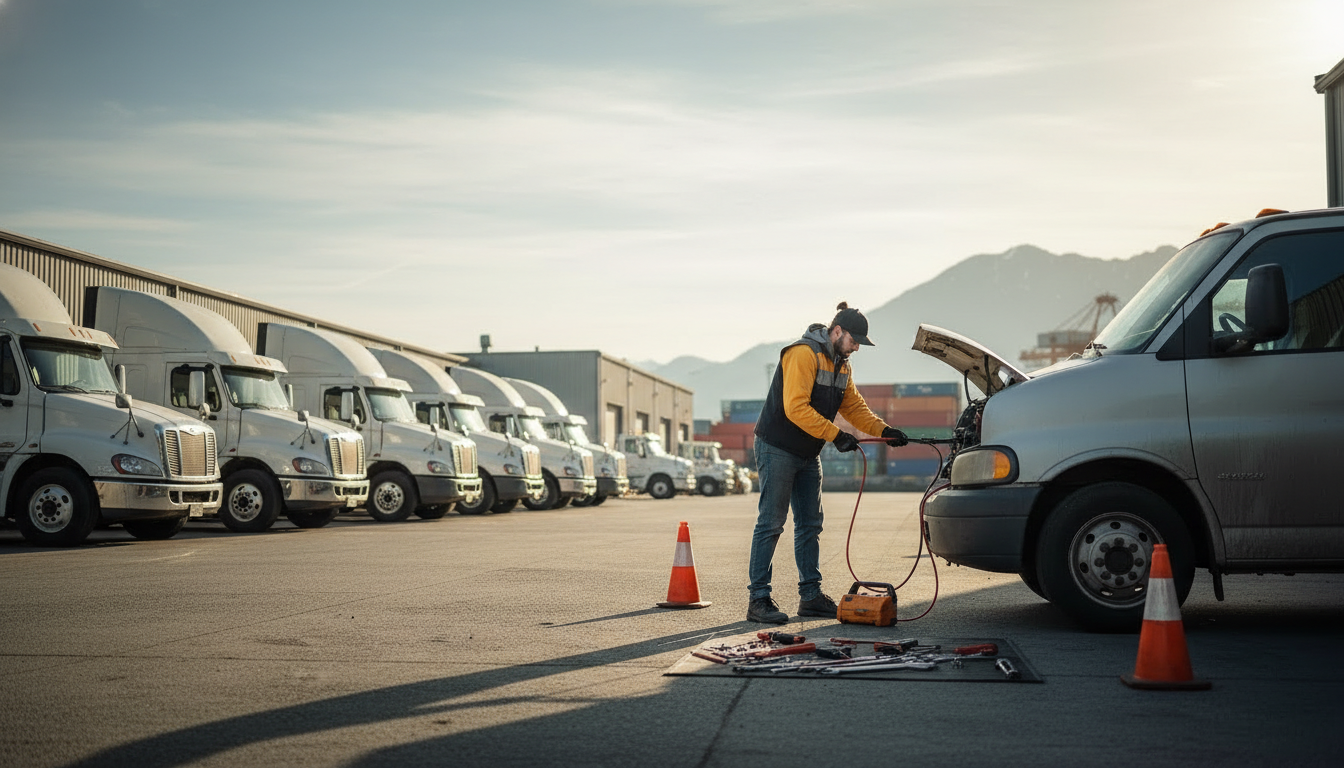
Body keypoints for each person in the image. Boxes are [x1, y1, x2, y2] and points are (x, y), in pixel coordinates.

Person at [747, 302, 908, 624]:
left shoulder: (842, 364)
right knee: (771, 523)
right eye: (854, 340)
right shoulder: (802, 353)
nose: (857, 347)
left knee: (810, 524)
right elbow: (795, 407)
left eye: (860, 342)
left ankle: (810, 597)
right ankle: (759, 600)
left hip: (807, 452)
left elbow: (854, 407)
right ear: (837, 331)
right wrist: (836, 435)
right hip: (777, 447)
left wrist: (884, 430)